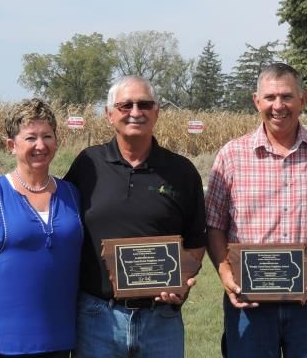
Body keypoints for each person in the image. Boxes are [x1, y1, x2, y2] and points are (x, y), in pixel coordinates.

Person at [205, 62, 307, 358]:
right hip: (249, 303)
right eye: (270, 97)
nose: (278, 106)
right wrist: (225, 274)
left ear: (303, 100)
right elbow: (214, 224)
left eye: (287, 96)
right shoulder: (232, 156)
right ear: (256, 101)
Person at [63, 75, 207, 358]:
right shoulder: (88, 163)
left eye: (144, 104)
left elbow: (196, 241)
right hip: (96, 317)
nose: (135, 112)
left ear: (156, 112)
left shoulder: (182, 171)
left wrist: (182, 282)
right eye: (125, 105)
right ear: (109, 114)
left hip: (160, 320)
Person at [0, 98, 84, 358]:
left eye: (47, 136)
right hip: (7, 343)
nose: (40, 145)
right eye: (30, 138)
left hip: (62, 339)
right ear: (11, 145)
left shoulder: (71, 194)